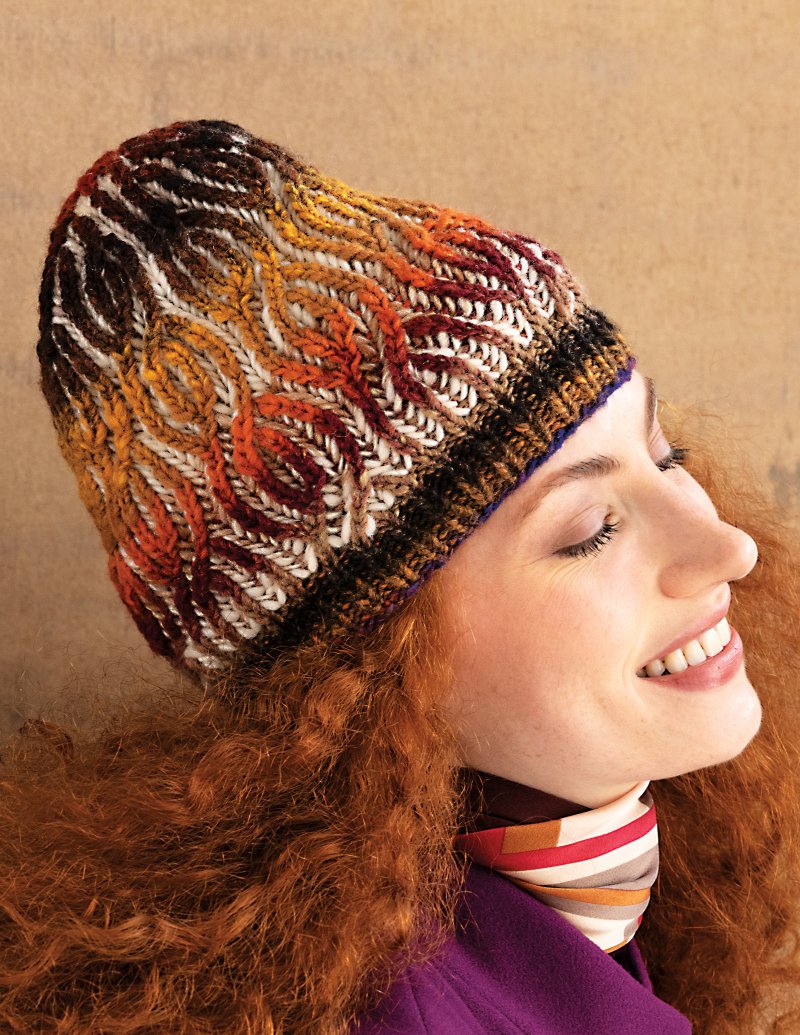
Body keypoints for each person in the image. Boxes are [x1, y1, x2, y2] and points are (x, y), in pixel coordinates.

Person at [2, 118, 799, 1033]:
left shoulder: (581, 893)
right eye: (589, 530)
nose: (728, 545)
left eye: (667, 455)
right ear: (371, 671)